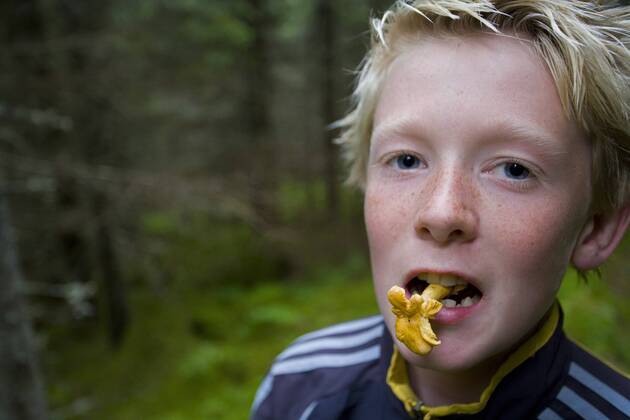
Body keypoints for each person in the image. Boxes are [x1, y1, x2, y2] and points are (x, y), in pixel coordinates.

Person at [251, 1, 630, 419]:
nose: (442, 213)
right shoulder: (298, 385)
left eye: (514, 169)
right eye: (407, 160)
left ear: (597, 227)